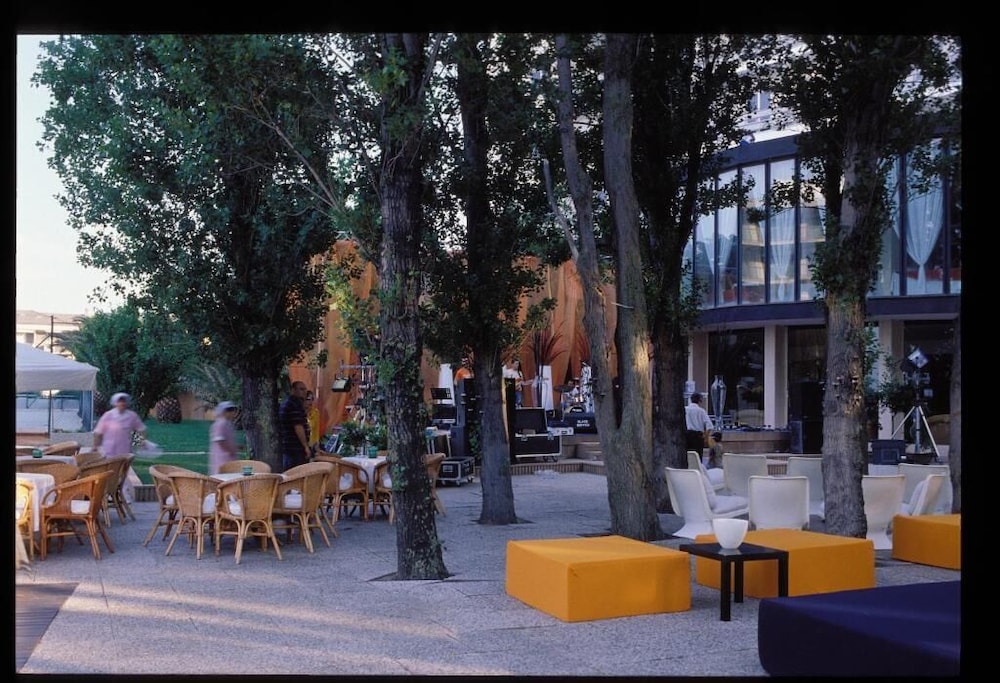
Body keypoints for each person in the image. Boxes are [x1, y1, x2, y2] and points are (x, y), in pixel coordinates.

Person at [93, 392, 146, 457]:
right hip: (109, 450)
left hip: (125, 449)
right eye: (119, 401)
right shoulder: (108, 415)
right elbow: (98, 432)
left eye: (123, 401)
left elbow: (141, 429)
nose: (122, 404)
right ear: (115, 403)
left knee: (124, 462)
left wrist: (142, 442)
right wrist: (95, 446)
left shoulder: (132, 416)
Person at [278, 381, 311, 472]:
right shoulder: (294, 404)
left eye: (305, 389)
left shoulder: (287, 402)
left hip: (288, 447)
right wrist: (305, 446)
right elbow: (298, 426)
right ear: (293, 390)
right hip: (295, 448)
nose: (304, 392)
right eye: (301, 389)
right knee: (296, 474)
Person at [208, 401, 241, 475]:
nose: (232, 413)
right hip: (222, 458)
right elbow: (220, 441)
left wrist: (235, 447)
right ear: (224, 412)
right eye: (230, 410)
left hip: (230, 457)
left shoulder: (228, 423)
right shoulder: (220, 424)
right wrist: (229, 450)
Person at [304, 390, 320, 455]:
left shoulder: (315, 413)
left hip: (312, 446)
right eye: (308, 399)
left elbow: (316, 431)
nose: (310, 402)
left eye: (312, 399)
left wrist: (317, 444)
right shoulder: (299, 413)